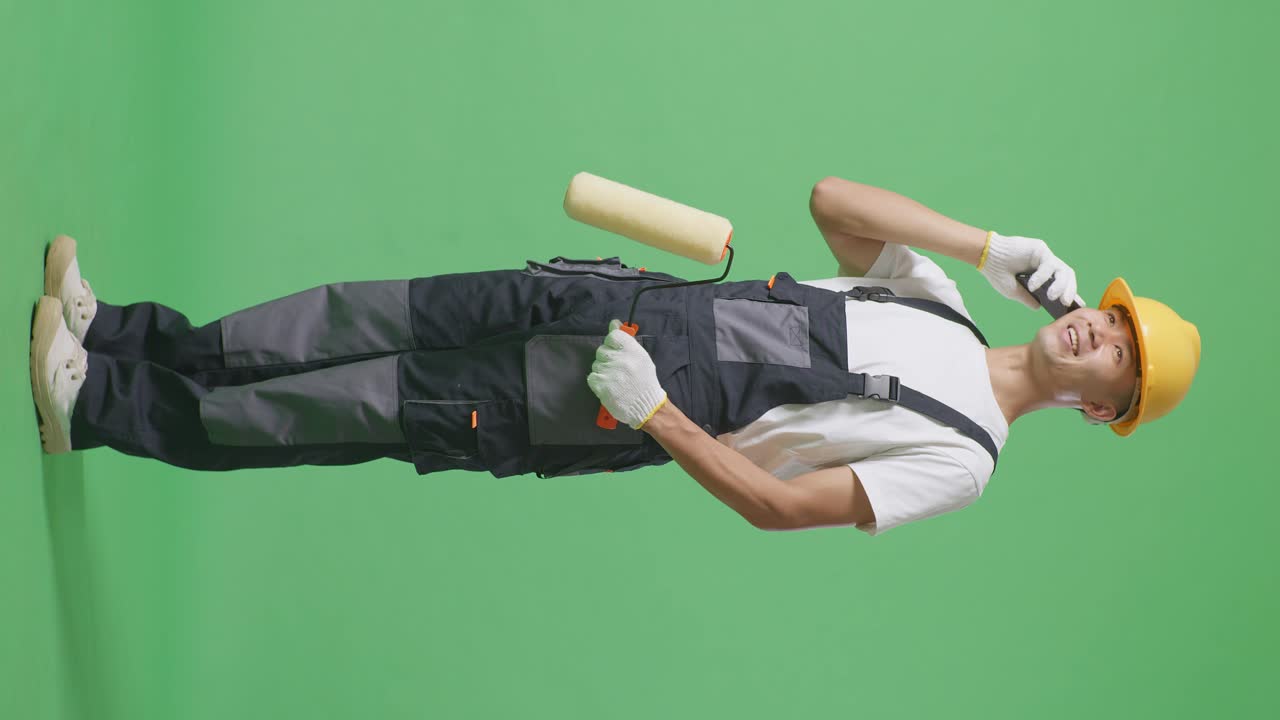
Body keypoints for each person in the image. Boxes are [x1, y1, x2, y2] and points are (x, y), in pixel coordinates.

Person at [29, 177, 1201, 535]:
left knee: (347, 404)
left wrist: (655, 417)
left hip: (599, 400)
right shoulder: (942, 302)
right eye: (1111, 314)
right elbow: (834, 198)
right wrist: (989, 243)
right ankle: (122, 334)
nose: (1099, 329)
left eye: (1118, 358)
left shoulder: (964, 458)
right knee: (352, 313)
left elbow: (777, 505)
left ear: (1103, 409)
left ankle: (98, 410)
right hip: (603, 302)